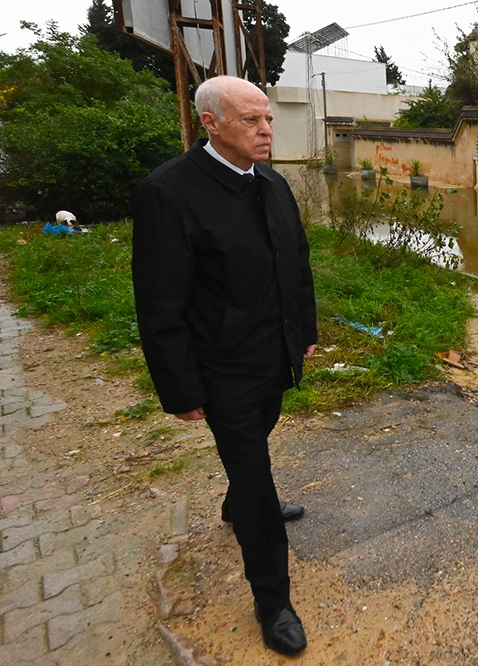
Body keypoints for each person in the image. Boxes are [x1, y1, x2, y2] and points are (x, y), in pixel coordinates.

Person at [132, 75, 317, 656]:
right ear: (210, 123)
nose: (266, 130)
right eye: (251, 121)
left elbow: (297, 258)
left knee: (260, 436)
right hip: (221, 367)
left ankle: (239, 500)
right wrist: (180, 386)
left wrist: (304, 331)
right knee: (256, 476)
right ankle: (273, 600)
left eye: (267, 120)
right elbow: (159, 300)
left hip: (274, 356)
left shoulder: (272, 182)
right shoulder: (170, 192)